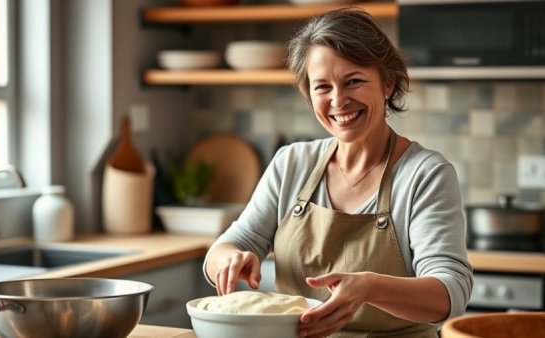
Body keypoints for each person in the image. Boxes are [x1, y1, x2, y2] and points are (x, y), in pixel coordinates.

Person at [203, 7, 473, 338]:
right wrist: (230, 259)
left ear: (387, 83)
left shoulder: (424, 175)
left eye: (354, 81)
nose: (338, 101)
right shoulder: (292, 164)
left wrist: (369, 288)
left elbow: (450, 293)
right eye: (322, 87)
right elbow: (228, 246)